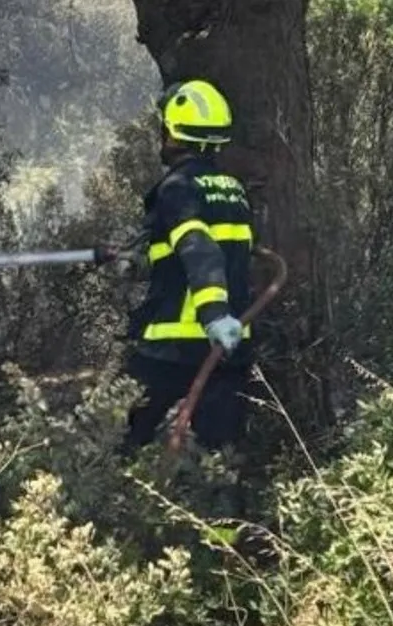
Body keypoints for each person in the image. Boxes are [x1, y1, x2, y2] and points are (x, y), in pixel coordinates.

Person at [118, 79, 257, 454]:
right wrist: (141, 258)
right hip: (229, 345)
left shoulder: (177, 187)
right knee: (218, 454)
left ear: (173, 132)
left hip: (174, 345)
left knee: (119, 434)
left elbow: (199, 248)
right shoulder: (233, 190)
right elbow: (219, 250)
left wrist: (212, 315)